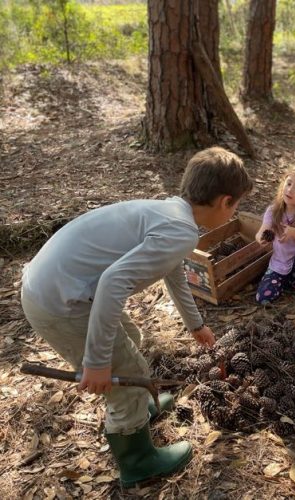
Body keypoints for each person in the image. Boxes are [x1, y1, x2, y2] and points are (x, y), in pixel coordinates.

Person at [20, 147, 253, 487]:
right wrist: (97, 362)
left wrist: (196, 324)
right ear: (225, 201)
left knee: (132, 338)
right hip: (60, 302)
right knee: (126, 371)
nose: (235, 211)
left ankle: (140, 404)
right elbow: (113, 282)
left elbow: (172, 271)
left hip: (50, 284)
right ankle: (138, 459)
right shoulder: (182, 231)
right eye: (237, 206)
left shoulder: (171, 212)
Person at [255, 165, 295, 305]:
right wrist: (263, 238)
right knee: (263, 298)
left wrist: (293, 232)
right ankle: (287, 281)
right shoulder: (273, 211)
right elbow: (261, 231)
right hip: (279, 263)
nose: (290, 190)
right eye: (289, 183)